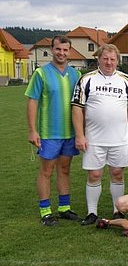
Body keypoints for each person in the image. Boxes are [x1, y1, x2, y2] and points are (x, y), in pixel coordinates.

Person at [71, 44, 128, 225]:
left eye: (112, 59)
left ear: (117, 60)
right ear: (98, 59)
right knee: (94, 175)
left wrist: (118, 121)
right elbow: (77, 108)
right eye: (105, 58)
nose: (109, 62)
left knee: (117, 173)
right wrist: (80, 135)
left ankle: (117, 210)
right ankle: (91, 213)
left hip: (119, 138)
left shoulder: (126, 80)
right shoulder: (87, 80)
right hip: (93, 137)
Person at [25, 35, 82, 226]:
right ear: (52, 49)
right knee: (46, 171)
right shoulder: (41, 73)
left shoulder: (76, 74)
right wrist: (32, 130)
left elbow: (81, 105)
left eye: (65, 50)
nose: (62, 53)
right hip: (49, 133)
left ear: (69, 51)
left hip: (70, 133)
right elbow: (33, 101)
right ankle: (45, 211)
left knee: (65, 170)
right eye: (58, 49)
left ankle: (64, 208)